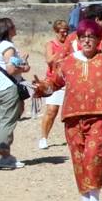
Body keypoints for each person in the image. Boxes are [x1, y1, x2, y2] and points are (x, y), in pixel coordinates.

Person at [37, 20, 102, 201]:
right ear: (78, 40)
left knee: (93, 154)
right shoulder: (68, 61)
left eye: (91, 37)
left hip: (101, 115)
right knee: (78, 157)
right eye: (83, 37)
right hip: (72, 116)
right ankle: (85, 200)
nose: (87, 41)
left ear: (98, 40)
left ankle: (94, 199)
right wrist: (41, 87)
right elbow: (54, 82)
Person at [0, 18, 30, 169]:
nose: (15, 28)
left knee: (2, 120)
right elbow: (11, 69)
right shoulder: (8, 46)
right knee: (8, 121)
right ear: (8, 29)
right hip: (8, 87)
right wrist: (24, 66)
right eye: (13, 26)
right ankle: (2, 155)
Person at [38, 19, 70, 149]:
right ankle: (44, 138)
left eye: (67, 32)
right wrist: (63, 50)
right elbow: (49, 60)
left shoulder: (71, 44)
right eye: (62, 32)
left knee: (69, 113)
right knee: (51, 110)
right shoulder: (50, 44)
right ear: (56, 32)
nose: (65, 34)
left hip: (68, 80)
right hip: (54, 80)